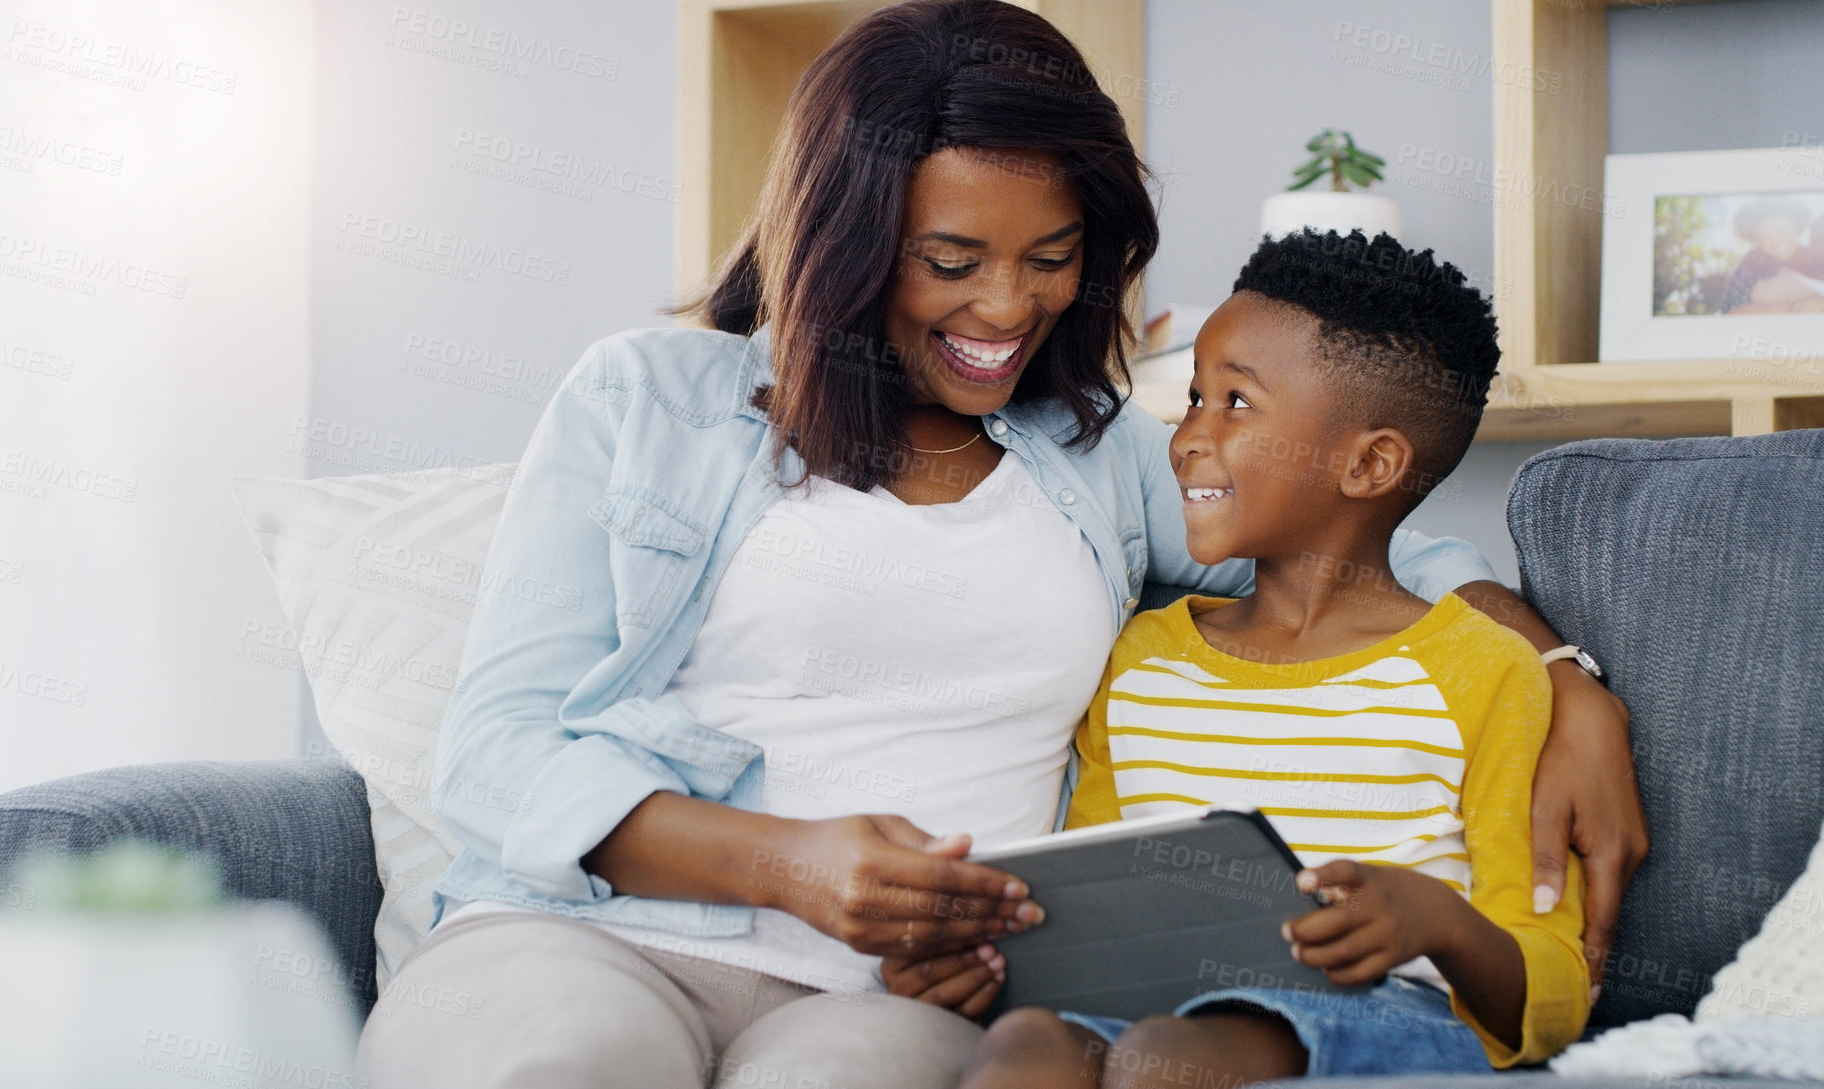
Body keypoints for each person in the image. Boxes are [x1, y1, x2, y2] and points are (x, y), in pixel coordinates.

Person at [355, 3, 1644, 1086]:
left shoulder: (1096, 451)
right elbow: (498, 750)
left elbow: (1363, 545)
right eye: (952, 259)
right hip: (594, 932)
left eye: (1053, 258)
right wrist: (789, 864)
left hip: (899, 995)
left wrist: (1562, 677)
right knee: (563, 1065)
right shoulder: (651, 398)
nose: (1008, 307)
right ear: (846, 241)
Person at [930, 229, 1588, 1087]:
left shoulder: (1484, 672)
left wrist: (1439, 922)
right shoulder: (1143, 659)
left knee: (1168, 1059)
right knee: (1026, 1046)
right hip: (1149, 1006)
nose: (1187, 437)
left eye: (1236, 403)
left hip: (1390, 1013)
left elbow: (1556, 994)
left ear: (1370, 463)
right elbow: (1087, 893)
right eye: (1194, 396)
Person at [1720, 195, 1824, 314]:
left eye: (1783, 230)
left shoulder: (1813, 255)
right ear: (1756, 239)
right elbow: (1730, 312)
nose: (1777, 240)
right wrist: (1795, 308)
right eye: (1765, 235)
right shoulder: (1751, 263)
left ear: (1797, 229)